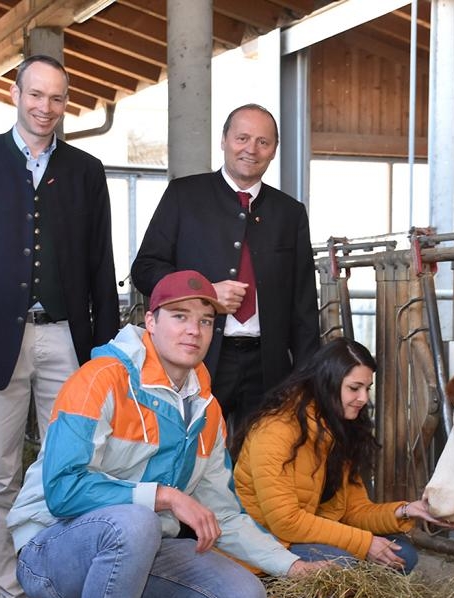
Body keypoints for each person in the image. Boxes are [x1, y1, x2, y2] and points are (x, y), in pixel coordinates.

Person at [6, 270, 322, 598]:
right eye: (179, 316)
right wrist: (164, 496)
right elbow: (63, 491)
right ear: (150, 321)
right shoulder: (98, 380)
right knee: (135, 520)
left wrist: (292, 565)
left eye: (205, 320)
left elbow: (225, 515)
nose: (193, 330)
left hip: (135, 548)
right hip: (51, 555)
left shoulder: (206, 410)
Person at [0, 54, 119, 598]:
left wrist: (105, 354)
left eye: (57, 98)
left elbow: (101, 266)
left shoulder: (87, 172)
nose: (45, 108)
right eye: (35, 95)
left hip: (68, 340)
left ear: (67, 103)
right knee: (1, 477)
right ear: (15, 94)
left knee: (75, 474)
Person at [231, 337, 454, 598]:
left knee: (402, 555)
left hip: (305, 538)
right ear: (327, 382)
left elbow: (353, 511)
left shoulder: (339, 428)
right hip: (266, 543)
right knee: (344, 564)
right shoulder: (276, 430)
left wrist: (405, 511)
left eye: (367, 388)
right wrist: (365, 544)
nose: (364, 398)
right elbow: (285, 522)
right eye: (354, 388)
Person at [130, 103, 320, 439]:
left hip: (269, 365)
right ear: (223, 140)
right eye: (242, 138)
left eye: (263, 142)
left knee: (263, 464)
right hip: (197, 357)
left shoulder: (290, 213)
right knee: (191, 453)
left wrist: (307, 381)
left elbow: (303, 305)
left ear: (274, 150)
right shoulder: (184, 195)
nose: (251, 149)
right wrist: (204, 291)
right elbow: (145, 269)